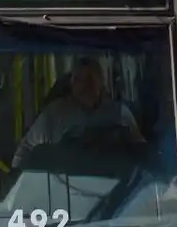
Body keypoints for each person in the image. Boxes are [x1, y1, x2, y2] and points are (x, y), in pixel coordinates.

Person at [11, 58, 143, 168]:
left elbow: (143, 151)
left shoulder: (119, 114)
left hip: (116, 188)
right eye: (78, 80)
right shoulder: (54, 113)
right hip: (63, 190)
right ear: (71, 83)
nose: (84, 86)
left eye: (90, 80)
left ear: (101, 82)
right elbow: (24, 151)